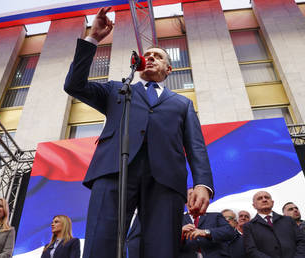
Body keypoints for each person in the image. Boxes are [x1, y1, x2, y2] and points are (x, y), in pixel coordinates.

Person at [63, 6, 214, 258]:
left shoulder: (182, 103)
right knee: (100, 244)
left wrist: (203, 184)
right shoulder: (116, 90)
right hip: (114, 171)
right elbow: (73, 85)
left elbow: (196, 145)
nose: (152, 57)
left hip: (165, 180)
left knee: (161, 249)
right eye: (148, 55)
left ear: (169, 70)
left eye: (158, 56)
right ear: (139, 62)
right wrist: (94, 38)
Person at [243, 191, 305, 258]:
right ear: (254, 205)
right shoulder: (249, 226)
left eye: (267, 197)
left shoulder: (288, 220)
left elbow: (302, 242)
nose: (264, 200)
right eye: (260, 198)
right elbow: (251, 250)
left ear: (272, 202)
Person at [180, 189, 234, 257]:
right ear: (185, 200)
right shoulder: (177, 219)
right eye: (191, 194)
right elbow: (167, 244)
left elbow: (229, 232)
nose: (195, 196)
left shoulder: (216, 216)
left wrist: (206, 232)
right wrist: (180, 234)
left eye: (197, 193)